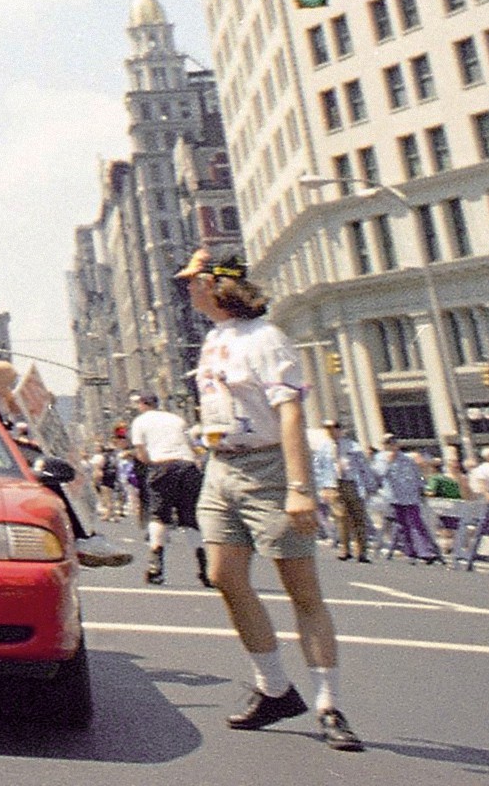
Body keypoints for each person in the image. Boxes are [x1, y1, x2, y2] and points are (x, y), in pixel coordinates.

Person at [181, 249, 361, 752]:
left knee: (301, 589)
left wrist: (300, 489)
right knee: (223, 575)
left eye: (194, 281)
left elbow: (289, 415)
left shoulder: (266, 339)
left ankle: (329, 704)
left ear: (219, 286)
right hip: (221, 468)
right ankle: (275, 688)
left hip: (270, 469)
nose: (188, 290)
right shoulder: (215, 339)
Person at [127, 388, 203, 586]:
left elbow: (141, 453)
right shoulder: (176, 419)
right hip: (187, 466)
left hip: (161, 465)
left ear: (142, 405)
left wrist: (149, 468)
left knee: (159, 516)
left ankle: (155, 565)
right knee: (190, 518)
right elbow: (192, 447)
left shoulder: (140, 421)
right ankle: (204, 566)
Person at [321, 419, 372, 562]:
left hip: (351, 483)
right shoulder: (324, 448)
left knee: (358, 517)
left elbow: (363, 467)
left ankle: (361, 551)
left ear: (340, 429)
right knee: (341, 517)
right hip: (333, 485)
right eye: (328, 429)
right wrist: (322, 487)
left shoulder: (352, 446)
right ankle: (344, 549)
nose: (331, 431)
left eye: (334, 428)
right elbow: (319, 468)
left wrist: (369, 485)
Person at [381, 439, 437, 561]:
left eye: (393, 443)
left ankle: (424, 551)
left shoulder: (408, 460)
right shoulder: (381, 459)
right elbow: (378, 475)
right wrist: (388, 462)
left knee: (415, 523)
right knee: (402, 525)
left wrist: (422, 487)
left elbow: (418, 475)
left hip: (410, 497)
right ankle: (410, 550)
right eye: (388, 443)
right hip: (393, 498)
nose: (391, 446)